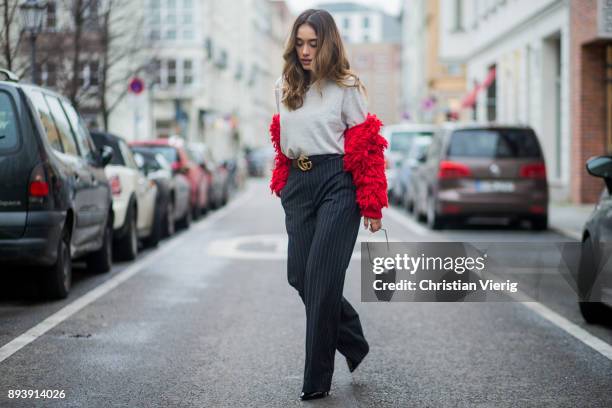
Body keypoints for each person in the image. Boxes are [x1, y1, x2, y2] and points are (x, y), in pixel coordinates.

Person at [268, 9, 388, 401]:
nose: (305, 51)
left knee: (321, 278)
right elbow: (283, 138)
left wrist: (372, 203)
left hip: (338, 182)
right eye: (299, 43)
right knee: (300, 277)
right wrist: (286, 185)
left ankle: (316, 382)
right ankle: (351, 338)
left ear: (328, 44)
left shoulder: (346, 85)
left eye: (313, 44)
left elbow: (367, 143)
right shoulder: (284, 85)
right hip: (299, 184)